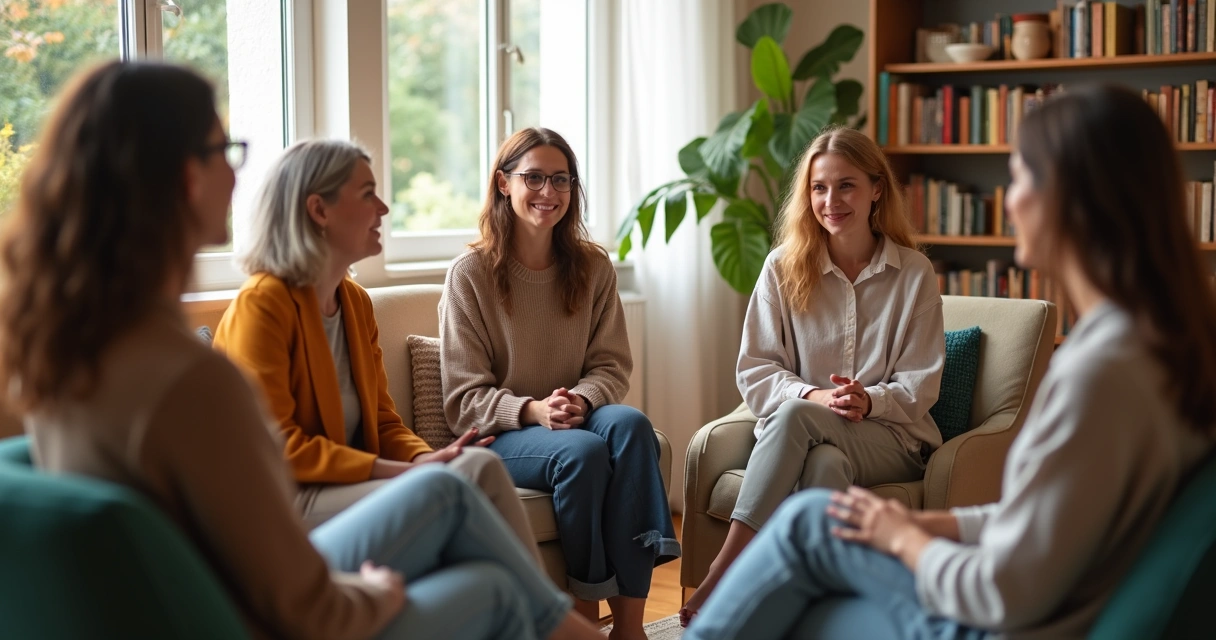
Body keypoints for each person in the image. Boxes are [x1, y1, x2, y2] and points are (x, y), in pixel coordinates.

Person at [0, 61, 600, 640]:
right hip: (249, 614)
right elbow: (301, 601)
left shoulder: (65, 348)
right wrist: (378, 590)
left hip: (200, 603)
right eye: (226, 151)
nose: (238, 175)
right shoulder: (190, 378)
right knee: (484, 573)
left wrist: (415, 463)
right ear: (187, 177)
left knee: (478, 542)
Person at [684, 84, 1216, 639]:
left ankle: (719, 588)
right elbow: (1043, 521)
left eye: (1022, 177)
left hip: (1007, 623)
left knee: (808, 525)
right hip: (1042, 602)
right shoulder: (1163, 350)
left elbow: (1002, 590)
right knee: (814, 590)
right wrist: (919, 522)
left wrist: (904, 541)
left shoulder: (1098, 373)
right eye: (819, 187)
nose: (1009, 199)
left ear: (1076, 197)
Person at [211, 139, 537, 558]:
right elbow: (278, 447)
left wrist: (425, 457)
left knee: (480, 466)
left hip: (345, 487)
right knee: (448, 488)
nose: (383, 209)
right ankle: (547, 620)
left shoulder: (355, 302)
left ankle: (530, 618)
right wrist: (404, 472)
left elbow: (383, 423)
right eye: (368, 194)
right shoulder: (263, 303)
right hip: (281, 501)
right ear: (319, 210)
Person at [680, 125, 945, 625]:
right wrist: (814, 396)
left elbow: (920, 383)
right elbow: (755, 369)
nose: (831, 200)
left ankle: (723, 575)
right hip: (810, 433)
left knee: (800, 417)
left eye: (846, 185)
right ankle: (816, 615)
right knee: (822, 462)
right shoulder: (781, 267)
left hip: (891, 439)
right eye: (819, 188)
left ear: (876, 190)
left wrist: (870, 401)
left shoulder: (914, 273)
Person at [440, 127, 678, 640]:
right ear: (504, 183)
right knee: (582, 454)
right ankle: (584, 622)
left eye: (561, 180)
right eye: (533, 178)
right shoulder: (470, 274)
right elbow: (463, 400)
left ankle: (631, 629)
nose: (549, 192)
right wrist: (534, 411)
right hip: (503, 433)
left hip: (577, 412)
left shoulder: (592, 266)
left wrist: (581, 399)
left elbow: (612, 365)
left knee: (634, 427)